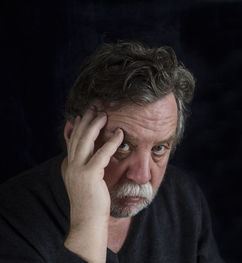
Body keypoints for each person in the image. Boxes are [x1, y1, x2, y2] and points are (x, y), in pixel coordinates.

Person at [0, 41, 224, 263]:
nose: (142, 176)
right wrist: (88, 223)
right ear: (73, 134)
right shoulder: (10, 218)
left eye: (158, 148)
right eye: (122, 146)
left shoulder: (184, 198)